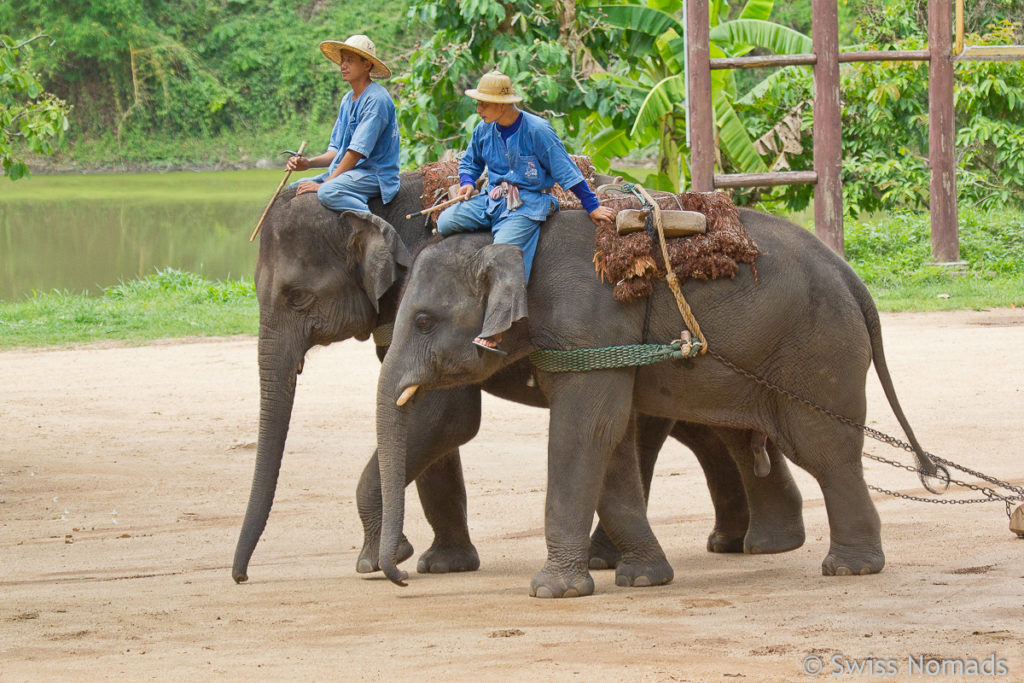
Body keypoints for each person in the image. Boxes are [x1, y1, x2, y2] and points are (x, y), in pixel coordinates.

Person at [437, 71, 616, 354]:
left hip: (526, 204)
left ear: (503, 104)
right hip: (492, 199)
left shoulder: (538, 130)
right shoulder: (484, 129)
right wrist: (468, 184)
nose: (478, 109)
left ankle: (496, 330)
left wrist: (592, 206)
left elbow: (565, 170)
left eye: (484, 103)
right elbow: (470, 163)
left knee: (504, 254)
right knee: (446, 221)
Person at [285, 35, 400, 213]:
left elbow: (355, 153)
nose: (343, 66)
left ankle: (374, 227)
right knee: (292, 189)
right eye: (342, 61)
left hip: (374, 175)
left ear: (366, 65)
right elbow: (336, 150)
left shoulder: (377, 100)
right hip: (349, 174)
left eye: (350, 61)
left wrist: (326, 183)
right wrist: (308, 163)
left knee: (327, 192)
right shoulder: (347, 100)